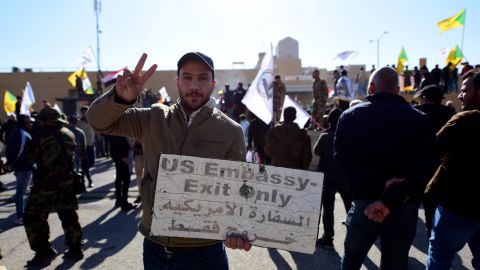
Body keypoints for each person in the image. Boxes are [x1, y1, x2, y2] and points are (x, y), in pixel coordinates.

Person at [87, 52, 251, 269]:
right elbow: (98, 121)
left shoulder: (231, 131)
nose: (194, 85)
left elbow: (238, 190)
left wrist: (238, 229)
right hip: (156, 249)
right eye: (187, 77)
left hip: (206, 252)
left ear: (212, 84)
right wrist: (121, 98)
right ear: (177, 82)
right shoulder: (152, 118)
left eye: (202, 78)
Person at [334, 67, 437, 270]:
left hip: (365, 204)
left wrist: (375, 195)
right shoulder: (420, 120)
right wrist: (390, 197)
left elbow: (341, 159)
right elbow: (428, 165)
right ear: (397, 89)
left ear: (371, 88)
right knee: (395, 265)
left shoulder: (349, 116)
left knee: (351, 262)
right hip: (403, 203)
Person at [425, 71, 480, 270]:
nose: (459, 95)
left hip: (459, 206)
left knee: (440, 254)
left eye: (465, 90)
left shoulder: (465, 120)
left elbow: (431, 149)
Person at [23, 108, 84, 266]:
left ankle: (43, 251)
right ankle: (75, 248)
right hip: (67, 181)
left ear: (47, 121)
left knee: (33, 216)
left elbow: (30, 157)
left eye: (41, 120)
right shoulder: (68, 133)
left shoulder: (41, 136)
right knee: (68, 215)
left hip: (47, 183)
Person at [414, 85, 454, 237]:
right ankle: (435, 233)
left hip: (418, 169)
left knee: (414, 208)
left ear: (424, 98)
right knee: (439, 206)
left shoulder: (416, 112)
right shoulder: (449, 113)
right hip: (443, 168)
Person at [314, 107, 351, 249]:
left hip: (328, 177)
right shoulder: (347, 135)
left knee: (328, 210)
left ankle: (328, 238)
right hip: (345, 177)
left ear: (329, 120)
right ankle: (354, 235)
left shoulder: (325, 136)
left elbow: (316, 151)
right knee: (350, 208)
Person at [4, 114, 34, 225]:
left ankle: (22, 214)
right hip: (24, 166)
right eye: (28, 121)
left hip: (23, 165)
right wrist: (9, 164)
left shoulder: (18, 131)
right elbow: (18, 150)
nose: (30, 123)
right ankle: (20, 216)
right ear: (24, 122)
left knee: (22, 192)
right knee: (21, 192)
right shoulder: (21, 133)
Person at [107, 134, 135, 210]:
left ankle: (118, 200)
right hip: (123, 160)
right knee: (126, 181)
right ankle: (124, 203)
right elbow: (121, 149)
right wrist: (126, 160)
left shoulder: (113, 135)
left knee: (118, 180)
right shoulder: (120, 136)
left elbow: (113, 149)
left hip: (118, 160)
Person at [77, 106, 95, 188]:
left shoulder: (92, 120)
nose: (84, 114)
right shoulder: (79, 123)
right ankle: (89, 180)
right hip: (83, 146)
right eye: (83, 112)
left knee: (91, 163)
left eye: (86, 112)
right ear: (81, 113)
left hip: (91, 144)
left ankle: (81, 176)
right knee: (85, 164)